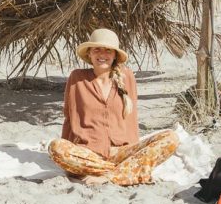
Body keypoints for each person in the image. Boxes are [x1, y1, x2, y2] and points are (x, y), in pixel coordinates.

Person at [48, 28, 179, 186]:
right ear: (89, 53)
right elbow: (70, 117)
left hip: (121, 152)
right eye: (97, 49)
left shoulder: (127, 76)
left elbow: (131, 119)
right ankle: (124, 172)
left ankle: (109, 176)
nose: (102, 55)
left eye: (108, 50)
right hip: (88, 154)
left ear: (115, 55)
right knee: (56, 147)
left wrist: (134, 150)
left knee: (171, 138)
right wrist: (70, 156)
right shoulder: (77, 78)